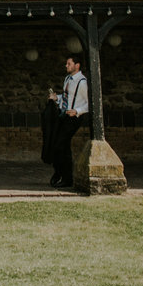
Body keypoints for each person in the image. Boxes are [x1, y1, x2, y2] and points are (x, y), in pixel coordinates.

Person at [48, 55, 89, 188]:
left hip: (73, 118)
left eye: (69, 64)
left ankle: (65, 177)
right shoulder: (67, 79)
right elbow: (67, 98)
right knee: (59, 145)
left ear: (77, 66)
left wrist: (77, 111)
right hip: (64, 115)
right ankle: (61, 175)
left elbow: (90, 103)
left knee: (61, 145)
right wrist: (56, 98)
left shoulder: (82, 82)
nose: (66, 66)